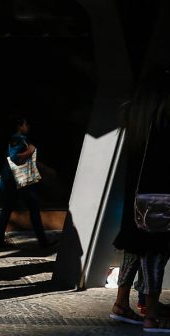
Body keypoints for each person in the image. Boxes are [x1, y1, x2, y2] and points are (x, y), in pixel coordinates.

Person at [110, 67, 170, 332]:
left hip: (135, 196)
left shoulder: (134, 116)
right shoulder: (164, 118)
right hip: (161, 196)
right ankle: (151, 317)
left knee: (134, 248)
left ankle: (121, 305)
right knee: (157, 250)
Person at [0, 116, 52, 248]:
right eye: (26, 124)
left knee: (8, 209)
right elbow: (14, 157)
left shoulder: (20, 139)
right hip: (18, 180)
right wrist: (30, 150)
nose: (28, 127)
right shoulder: (18, 139)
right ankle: (42, 241)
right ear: (19, 126)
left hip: (15, 180)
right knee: (32, 208)